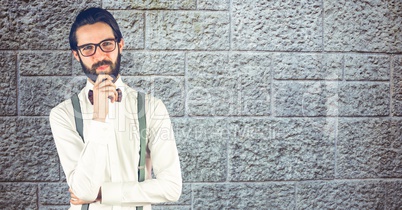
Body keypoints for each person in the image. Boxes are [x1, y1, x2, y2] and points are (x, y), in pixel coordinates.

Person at [49, 7, 182, 209]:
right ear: (76, 55)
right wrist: (99, 117)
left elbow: (171, 187)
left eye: (107, 44)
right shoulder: (62, 115)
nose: (99, 55)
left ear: (121, 44)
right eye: (87, 48)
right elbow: (84, 191)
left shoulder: (152, 108)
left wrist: (103, 194)